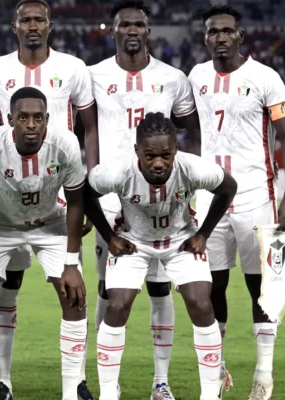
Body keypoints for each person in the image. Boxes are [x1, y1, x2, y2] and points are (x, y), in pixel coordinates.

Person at [0, 1, 98, 398]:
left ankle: (74, 387)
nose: (33, 25)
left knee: (74, 292)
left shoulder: (73, 75)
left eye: (39, 18)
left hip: (52, 216)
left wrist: (73, 261)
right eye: (26, 19)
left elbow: (77, 192)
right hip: (0, 217)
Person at [86, 2, 202, 398]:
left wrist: (191, 189)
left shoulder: (173, 78)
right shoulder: (93, 75)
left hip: (163, 201)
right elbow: (87, 130)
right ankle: (106, 383)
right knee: (108, 291)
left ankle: (161, 381)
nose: (132, 30)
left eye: (139, 24)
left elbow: (191, 130)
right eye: (125, 24)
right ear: (113, 30)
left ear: (148, 31)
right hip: (111, 199)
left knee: (159, 289)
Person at [188, 6, 285, 400]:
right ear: (205, 38)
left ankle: (263, 377)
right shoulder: (197, 77)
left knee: (261, 289)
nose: (220, 37)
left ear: (239, 36)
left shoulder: (265, 77)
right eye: (213, 31)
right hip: (209, 198)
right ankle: (217, 372)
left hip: (256, 196)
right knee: (209, 288)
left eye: (227, 31)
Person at [84, 112, 237, 400]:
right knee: (116, 305)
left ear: (175, 151)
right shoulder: (116, 171)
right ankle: (107, 393)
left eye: (166, 156)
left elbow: (229, 187)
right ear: (137, 152)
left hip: (179, 241)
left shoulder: (192, 168)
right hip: (133, 242)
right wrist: (110, 236)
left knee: (201, 303)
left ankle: (209, 395)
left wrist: (203, 233)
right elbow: (83, 194)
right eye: (149, 156)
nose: (158, 163)